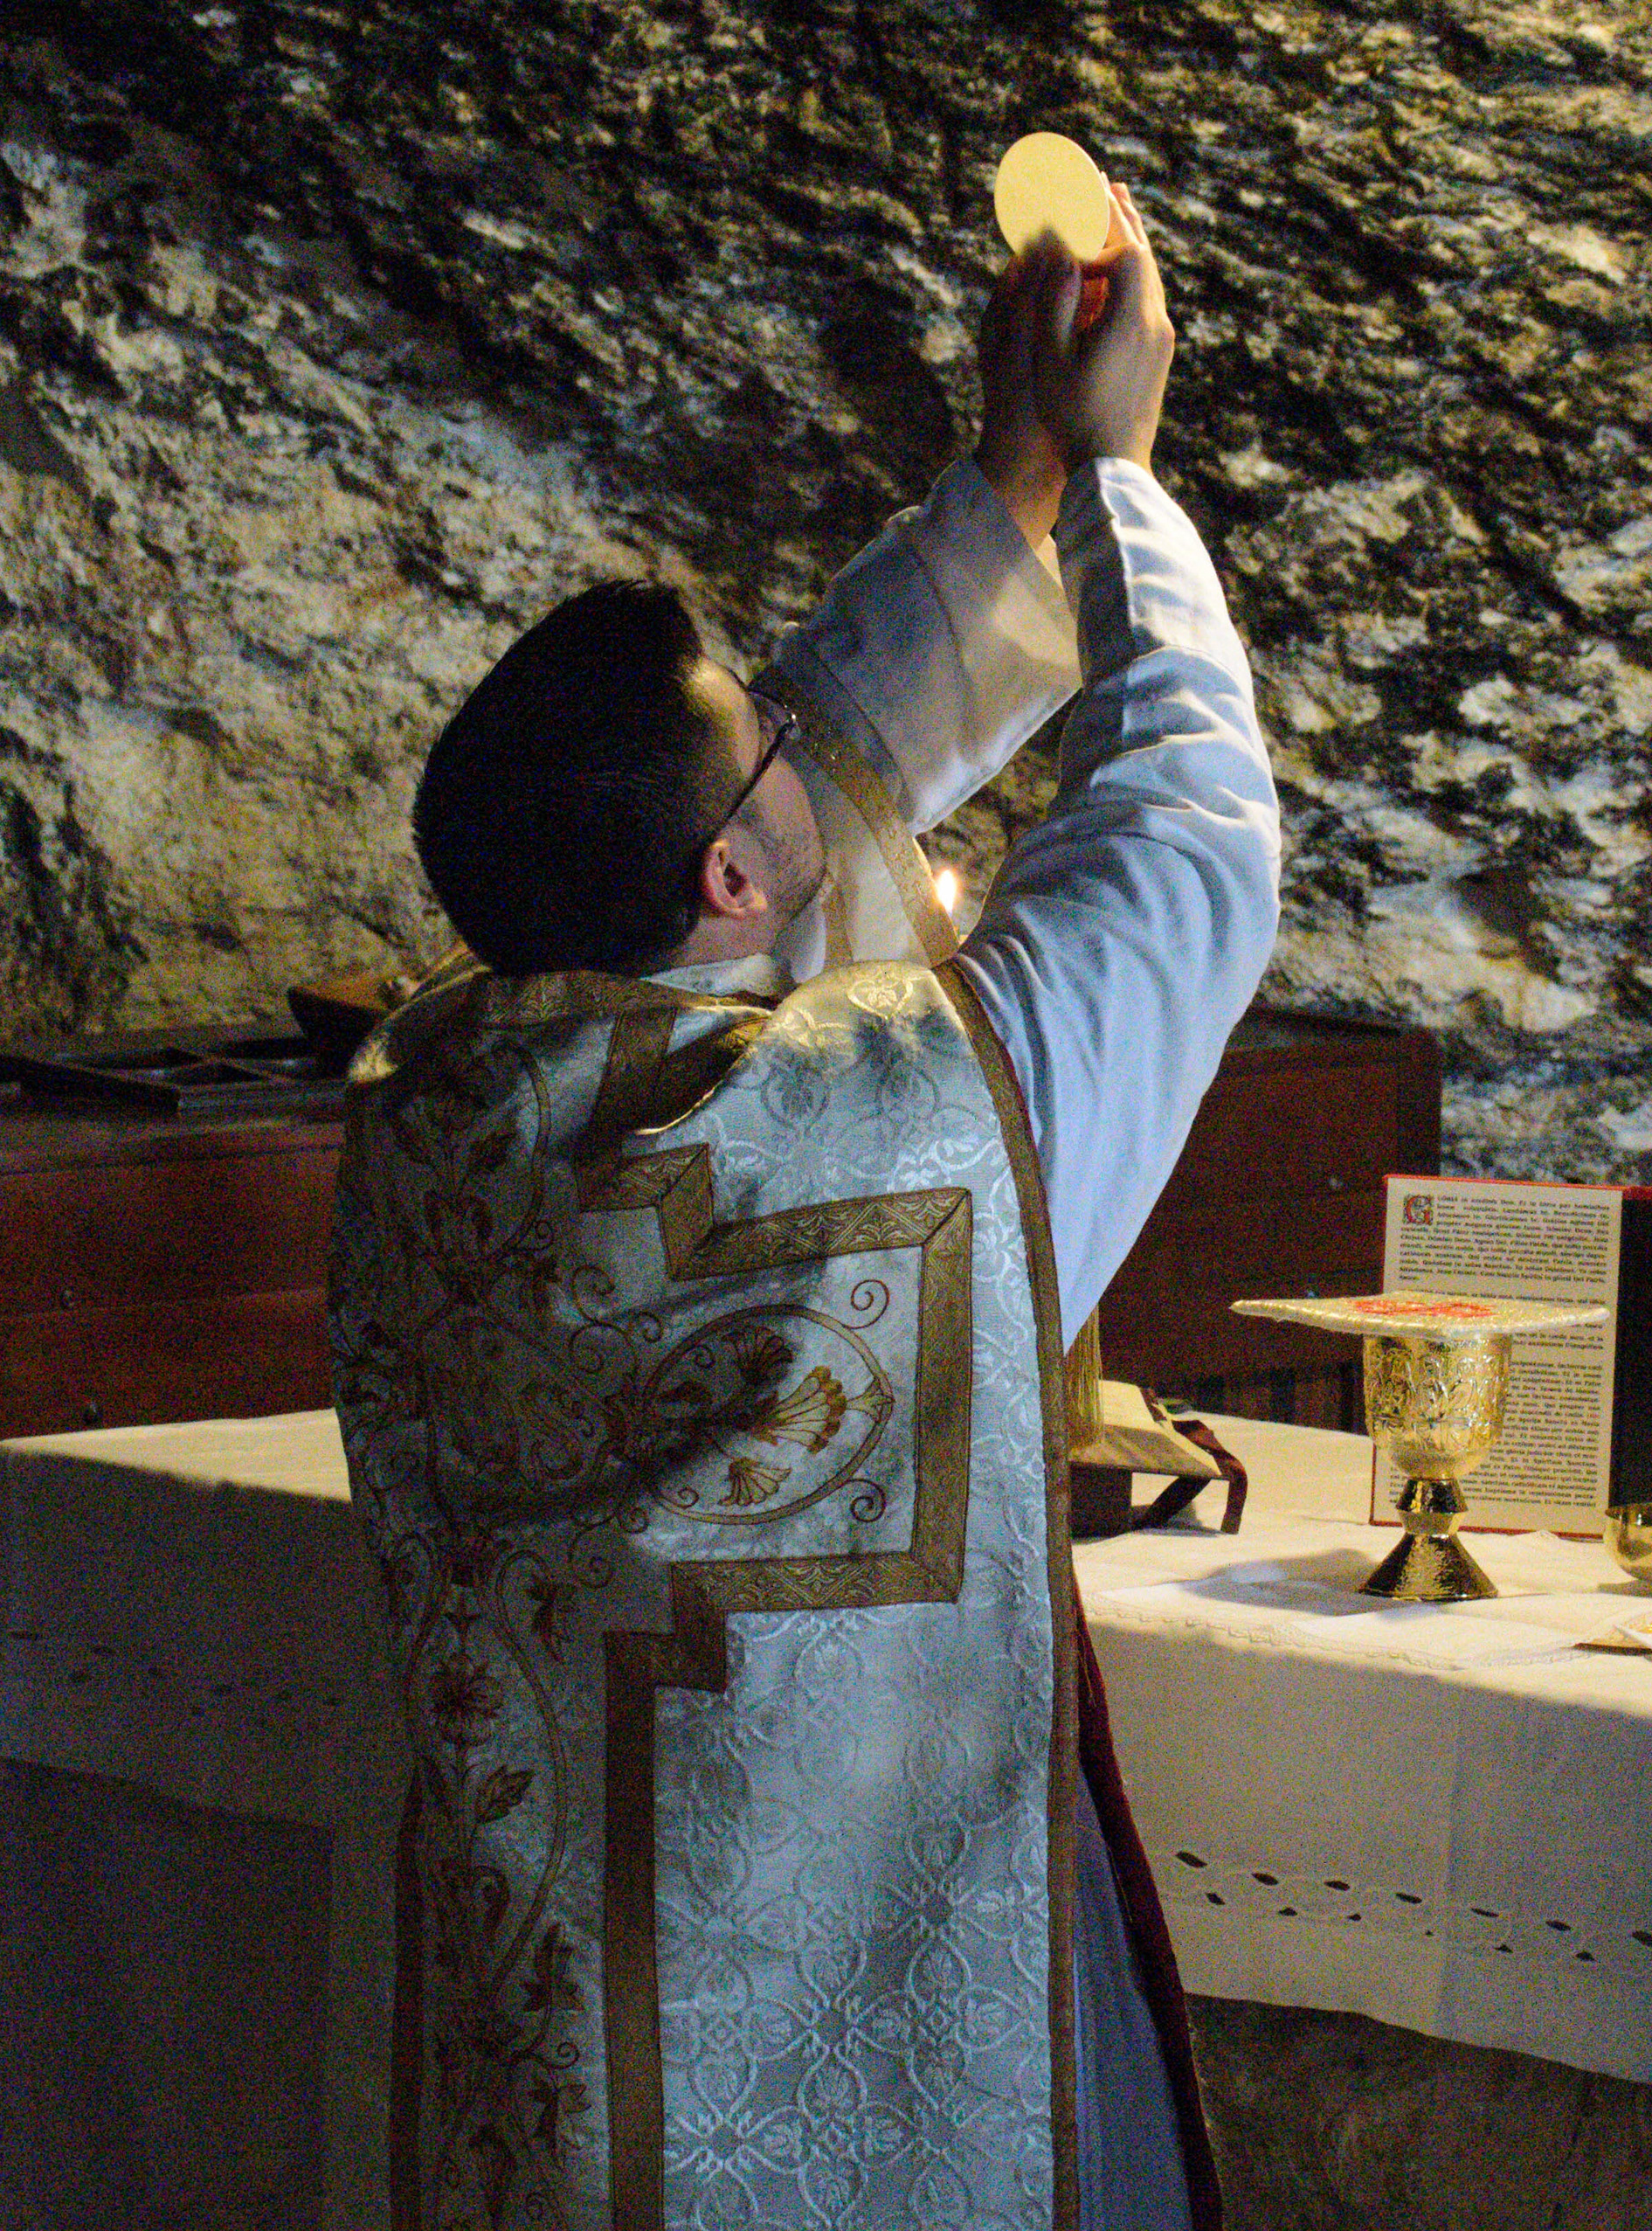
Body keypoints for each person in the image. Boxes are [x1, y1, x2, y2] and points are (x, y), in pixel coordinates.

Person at [327, 185, 1275, 2231]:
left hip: (574, 2085)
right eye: (760, 744)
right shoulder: (890, 1148)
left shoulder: (434, 1116)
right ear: (737, 895)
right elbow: (1188, 848)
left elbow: (801, 770)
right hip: (876, 2103)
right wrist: (1117, 478)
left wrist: (1011, 471)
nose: (809, 744)